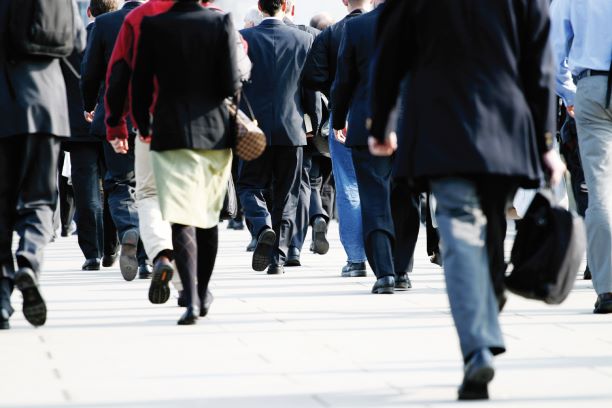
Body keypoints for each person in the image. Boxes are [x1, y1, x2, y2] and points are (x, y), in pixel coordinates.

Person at [369, 0, 566, 400]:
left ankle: (476, 346)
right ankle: (483, 326)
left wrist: (381, 120)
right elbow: (539, 64)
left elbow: (389, 52)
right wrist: (546, 141)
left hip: (440, 126)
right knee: (492, 233)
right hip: (505, 127)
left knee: (459, 235)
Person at [105, 0, 251, 305]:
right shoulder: (218, 20)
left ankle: (163, 255)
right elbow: (234, 76)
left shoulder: (142, 19)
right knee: (203, 211)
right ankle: (198, 290)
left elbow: (123, 76)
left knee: (150, 196)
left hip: (161, 127)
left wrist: (123, 125)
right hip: (211, 129)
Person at [0, 0, 86, 330]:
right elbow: (77, 44)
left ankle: (2, 300)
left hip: (5, 103)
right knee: (39, 197)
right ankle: (29, 257)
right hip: (48, 108)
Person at [333, 0, 413, 293]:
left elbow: (344, 80)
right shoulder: (419, 24)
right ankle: (403, 269)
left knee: (374, 198)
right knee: (405, 198)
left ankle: (385, 273)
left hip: (367, 124)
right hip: (411, 125)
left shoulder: (356, 27)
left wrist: (339, 118)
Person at [237, 0, 316, 275]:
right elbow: (311, 88)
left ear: (260, 6)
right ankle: (278, 259)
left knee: (248, 185)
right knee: (288, 195)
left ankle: (261, 225)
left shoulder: (243, 38)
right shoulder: (305, 39)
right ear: (285, 5)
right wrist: (313, 123)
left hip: (253, 130)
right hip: (292, 128)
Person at [81, 0, 151, 281]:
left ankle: (129, 228)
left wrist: (89, 104)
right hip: (153, 120)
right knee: (151, 189)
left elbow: (90, 71)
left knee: (119, 183)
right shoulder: (157, 19)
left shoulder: (104, 24)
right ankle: (148, 259)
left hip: (115, 117)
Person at [551, 0, 612, 313]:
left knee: (599, 191)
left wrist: (571, 94)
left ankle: (608, 288)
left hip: (592, 85)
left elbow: (553, 54)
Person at [303, 0, 370, 278]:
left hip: (342, 117)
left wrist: (333, 88)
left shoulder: (331, 34)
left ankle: (356, 259)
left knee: (349, 187)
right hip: (383, 116)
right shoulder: (386, 26)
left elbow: (311, 76)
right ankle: (391, 258)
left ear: (344, 1)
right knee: (386, 185)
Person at [63, 0, 120, 272]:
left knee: (85, 190)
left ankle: (91, 252)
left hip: (79, 126)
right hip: (112, 122)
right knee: (114, 183)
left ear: (89, 12)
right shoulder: (122, 34)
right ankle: (111, 246)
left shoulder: (74, 39)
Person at [282, 0, 328, 267]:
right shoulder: (310, 37)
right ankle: (317, 216)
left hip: (285, 125)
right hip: (308, 122)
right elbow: (314, 85)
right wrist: (317, 123)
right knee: (309, 182)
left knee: (292, 185)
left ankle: (292, 247)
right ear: (291, 8)